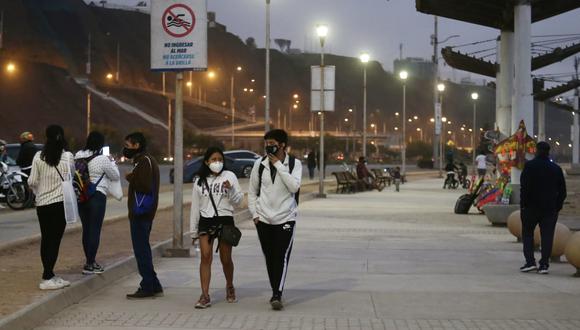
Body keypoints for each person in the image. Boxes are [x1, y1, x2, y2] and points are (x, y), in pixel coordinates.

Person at [248, 129, 301, 310]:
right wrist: (255, 215)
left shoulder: (294, 164)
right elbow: (252, 192)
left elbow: (294, 187)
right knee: (269, 257)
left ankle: (277, 294)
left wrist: (279, 165)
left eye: (272, 143)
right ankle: (274, 289)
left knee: (281, 256)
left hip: (286, 218)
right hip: (263, 219)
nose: (269, 146)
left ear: (282, 145)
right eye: (267, 143)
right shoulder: (259, 165)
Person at [190, 147, 244, 309]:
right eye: (213, 160)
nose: (217, 162)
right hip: (206, 222)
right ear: (207, 162)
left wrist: (231, 189)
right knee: (205, 257)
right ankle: (205, 295)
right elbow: (195, 206)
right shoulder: (199, 181)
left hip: (225, 220)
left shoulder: (230, 176)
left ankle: (229, 285)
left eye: (220, 159)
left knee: (225, 259)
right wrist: (193, 231)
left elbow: (239, 202)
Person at [27, 125, 73, 290]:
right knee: (55, 240)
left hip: (42, 204)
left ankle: (49, 274)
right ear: (61, 136)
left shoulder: (38, 156)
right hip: (60, 204)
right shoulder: (67, 156)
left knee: (46, 238)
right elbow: (70, 178)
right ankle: (47, 276)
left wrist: (39, 192)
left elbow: (32, 181)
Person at [123, 132, 163, 299]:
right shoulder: (144, 160)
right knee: (143, 248)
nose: (126, 148)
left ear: (137, 145)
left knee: (141, 251)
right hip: (144, 212)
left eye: (128, 145)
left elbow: (145, 187)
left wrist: (131, 178)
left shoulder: (145, 162)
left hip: (141, 213)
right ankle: (154, 284)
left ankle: (147, 285)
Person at [75, 131, 120, 275]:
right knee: (95, 230)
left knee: (86, 229)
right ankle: (90, 263)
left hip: (81, 197)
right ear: (101, 143)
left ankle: (89, 262)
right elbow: (115, 176)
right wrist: (111, 161)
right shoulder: (102, 158)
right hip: (97, 196)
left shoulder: (78, 155)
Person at [520, 141, 566, 274]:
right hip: (550, 209)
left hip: (530, 207)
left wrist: (523, 205)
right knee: (547, 236)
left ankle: (530, 262)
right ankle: (544, 264)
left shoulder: (529, 166)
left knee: (528, 234)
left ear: (536, 150)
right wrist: (557, 206)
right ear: (548, 151)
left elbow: (524, 188)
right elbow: (562, 191)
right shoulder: (556, 168)